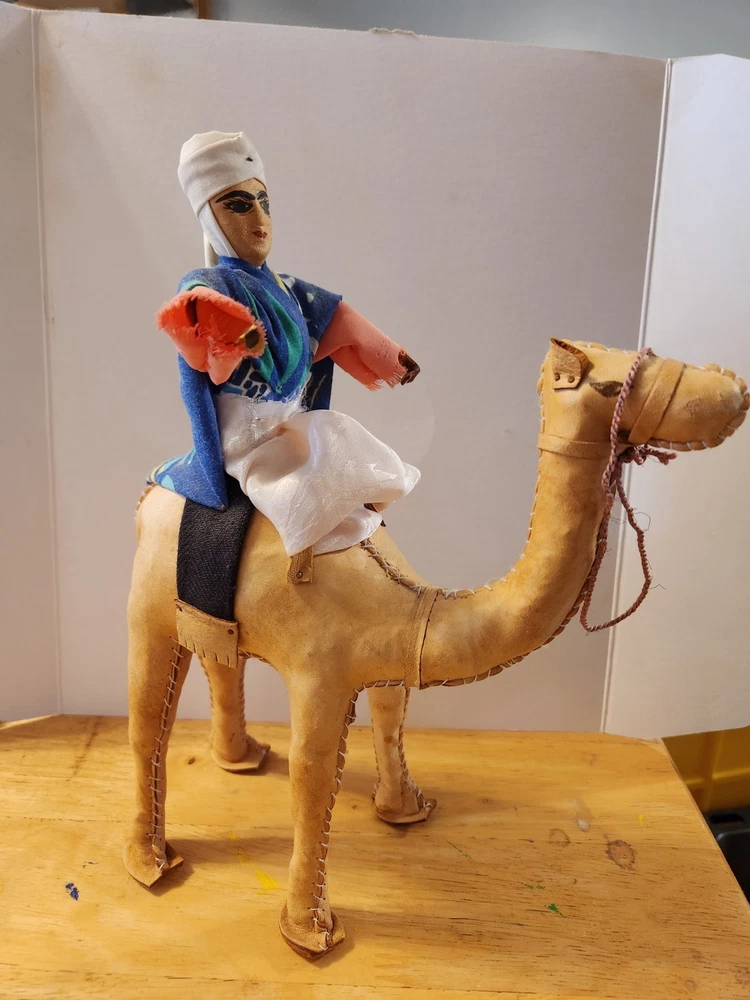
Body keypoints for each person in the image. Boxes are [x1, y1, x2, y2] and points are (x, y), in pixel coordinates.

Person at [153, 131, 420, 557]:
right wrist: (235, 332)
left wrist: (389, 356)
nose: (258, 218)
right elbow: (199, 313)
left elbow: (333, 316)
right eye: (238, 205)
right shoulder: (209, 283)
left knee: (339, 436)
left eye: (264, 203)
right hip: (245, 436)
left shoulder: (287, 288)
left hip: (288, 421)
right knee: (300, 489)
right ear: (210, 218)